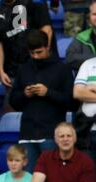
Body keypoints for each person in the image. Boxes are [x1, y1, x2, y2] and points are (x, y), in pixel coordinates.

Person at [10, 29, 76, 173]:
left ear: (48, 47)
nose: (36, 56)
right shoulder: (24, 69)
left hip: (52, 135)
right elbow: (13, 101)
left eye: (39, 52)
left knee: (53, 181)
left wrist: (48, 93)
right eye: (32, 53)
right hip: (27, 134)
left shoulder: (62, 69)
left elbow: (72, 102)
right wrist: (25, 94)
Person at [0, 0, 57, 112]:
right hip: (12, 75)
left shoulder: (35, 2)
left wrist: (42, 64)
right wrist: (1, 71)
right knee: (10, 116)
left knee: (41, 113)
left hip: (38, 70)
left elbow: (46, 30)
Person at [30, 122, 95, 182]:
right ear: (56, 139)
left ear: (75, 139)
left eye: (69, 136)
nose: (65, 139)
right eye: (61, 136)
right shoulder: (45, 157)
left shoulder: (86, 161)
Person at [73, 54, 96, 163]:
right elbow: (77, 93)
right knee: (88, 177)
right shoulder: (87, 64)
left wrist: (91, 88)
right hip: (89, 131)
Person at [66, 0, 96, 73]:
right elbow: (70, 58)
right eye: (94, 14)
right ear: (89, 16)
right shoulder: (81, 37)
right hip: (87, 80)